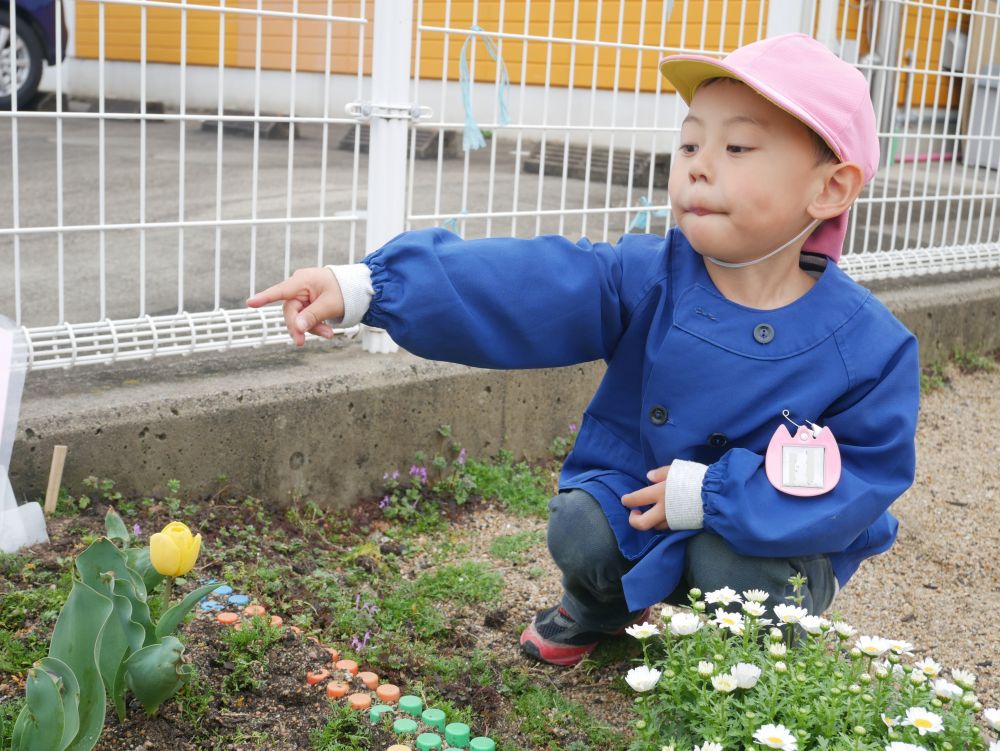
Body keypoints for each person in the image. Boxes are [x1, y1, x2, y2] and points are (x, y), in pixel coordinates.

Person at [247, 34, 919, 667]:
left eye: (738, 148)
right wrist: (367, 286)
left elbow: (860, 479)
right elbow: (528, 283)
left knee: (739, 570)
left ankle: (741, 664)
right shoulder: (647, 274)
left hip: (760, 529)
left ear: (829, 187)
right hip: (642, 496)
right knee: (583, 526)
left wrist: (715, 493)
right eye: (689, 145)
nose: (698, 166)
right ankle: (599, 604)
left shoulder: (871, 347)